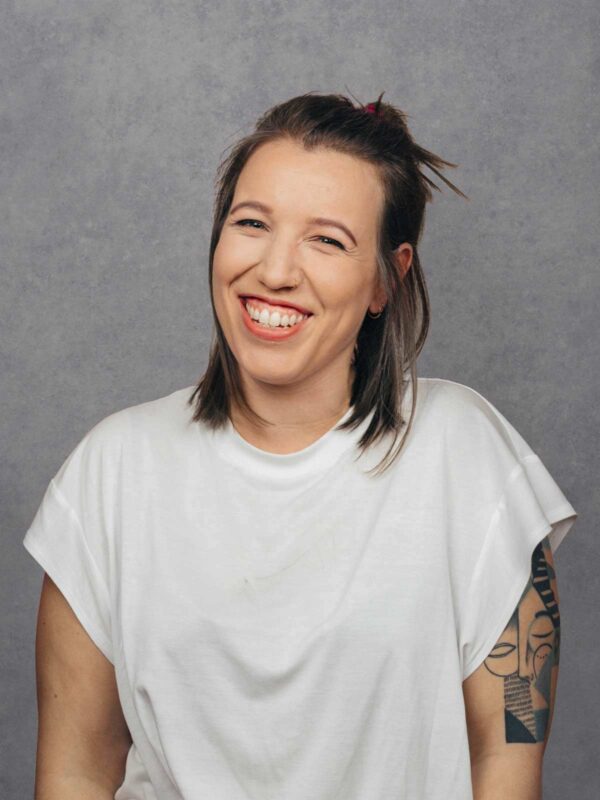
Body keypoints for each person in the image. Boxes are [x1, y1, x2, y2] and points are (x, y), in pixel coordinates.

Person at [23, 91, 578, 799]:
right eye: (252, 223)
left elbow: (506, 755)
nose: (276, 270)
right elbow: (75, 772)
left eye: (328, 240)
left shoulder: (466, 456)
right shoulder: (112, 471)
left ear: (386, 279)